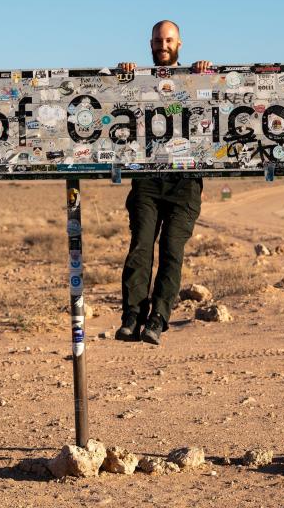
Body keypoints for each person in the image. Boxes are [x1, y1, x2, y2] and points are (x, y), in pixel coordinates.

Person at [115, 20, 212, 345]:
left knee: (172, 250)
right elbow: (114, 103)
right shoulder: (138, 81)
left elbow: (215, 105)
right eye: (159, 40)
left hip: (185, 181)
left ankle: (158, 318)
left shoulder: (193, 80)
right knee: (140, 246)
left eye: (169, 40)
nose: (163, 45)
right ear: (151, 44)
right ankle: (132, 315)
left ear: (179, 44)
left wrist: (204, 74)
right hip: (147, 179)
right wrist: (123, 76)